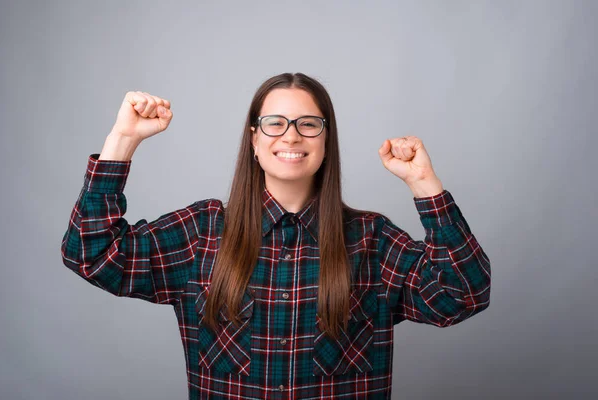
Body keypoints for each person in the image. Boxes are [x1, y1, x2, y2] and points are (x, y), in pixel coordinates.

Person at [61, 72, 491, 399]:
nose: (290, 135)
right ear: (253, 139)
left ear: (326, 141)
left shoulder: (370, 240)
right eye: (274, 123)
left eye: (308, 124)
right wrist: (122, 140)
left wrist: (424, 185)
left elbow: (464, 295)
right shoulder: (202, 232)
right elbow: (92, 254)